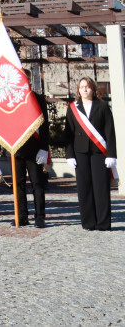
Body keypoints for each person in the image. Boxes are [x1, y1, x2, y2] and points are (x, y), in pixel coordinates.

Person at [66, 77, 116, 231]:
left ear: (93, 89)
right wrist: (69, 155)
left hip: (99, 153)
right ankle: (88, 223)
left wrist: (111, 154)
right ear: (78, 90)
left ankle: (103, 223)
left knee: (101, 188)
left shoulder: (102, 106)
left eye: (87, 86)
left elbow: (110, 131)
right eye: (82, 87)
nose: (85, 89)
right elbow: (68, 134)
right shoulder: (72, 108)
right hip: (80, 152)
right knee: (84, 188)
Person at [13, 70, 50, 228]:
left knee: (37, 184)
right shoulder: (12, 99)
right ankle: (21, 215)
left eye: (26, 79)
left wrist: (44, 148)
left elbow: (45, 125)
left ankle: (40, 216)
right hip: (17, 148)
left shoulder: (38, 98)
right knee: (18, 184)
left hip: (35, 149)